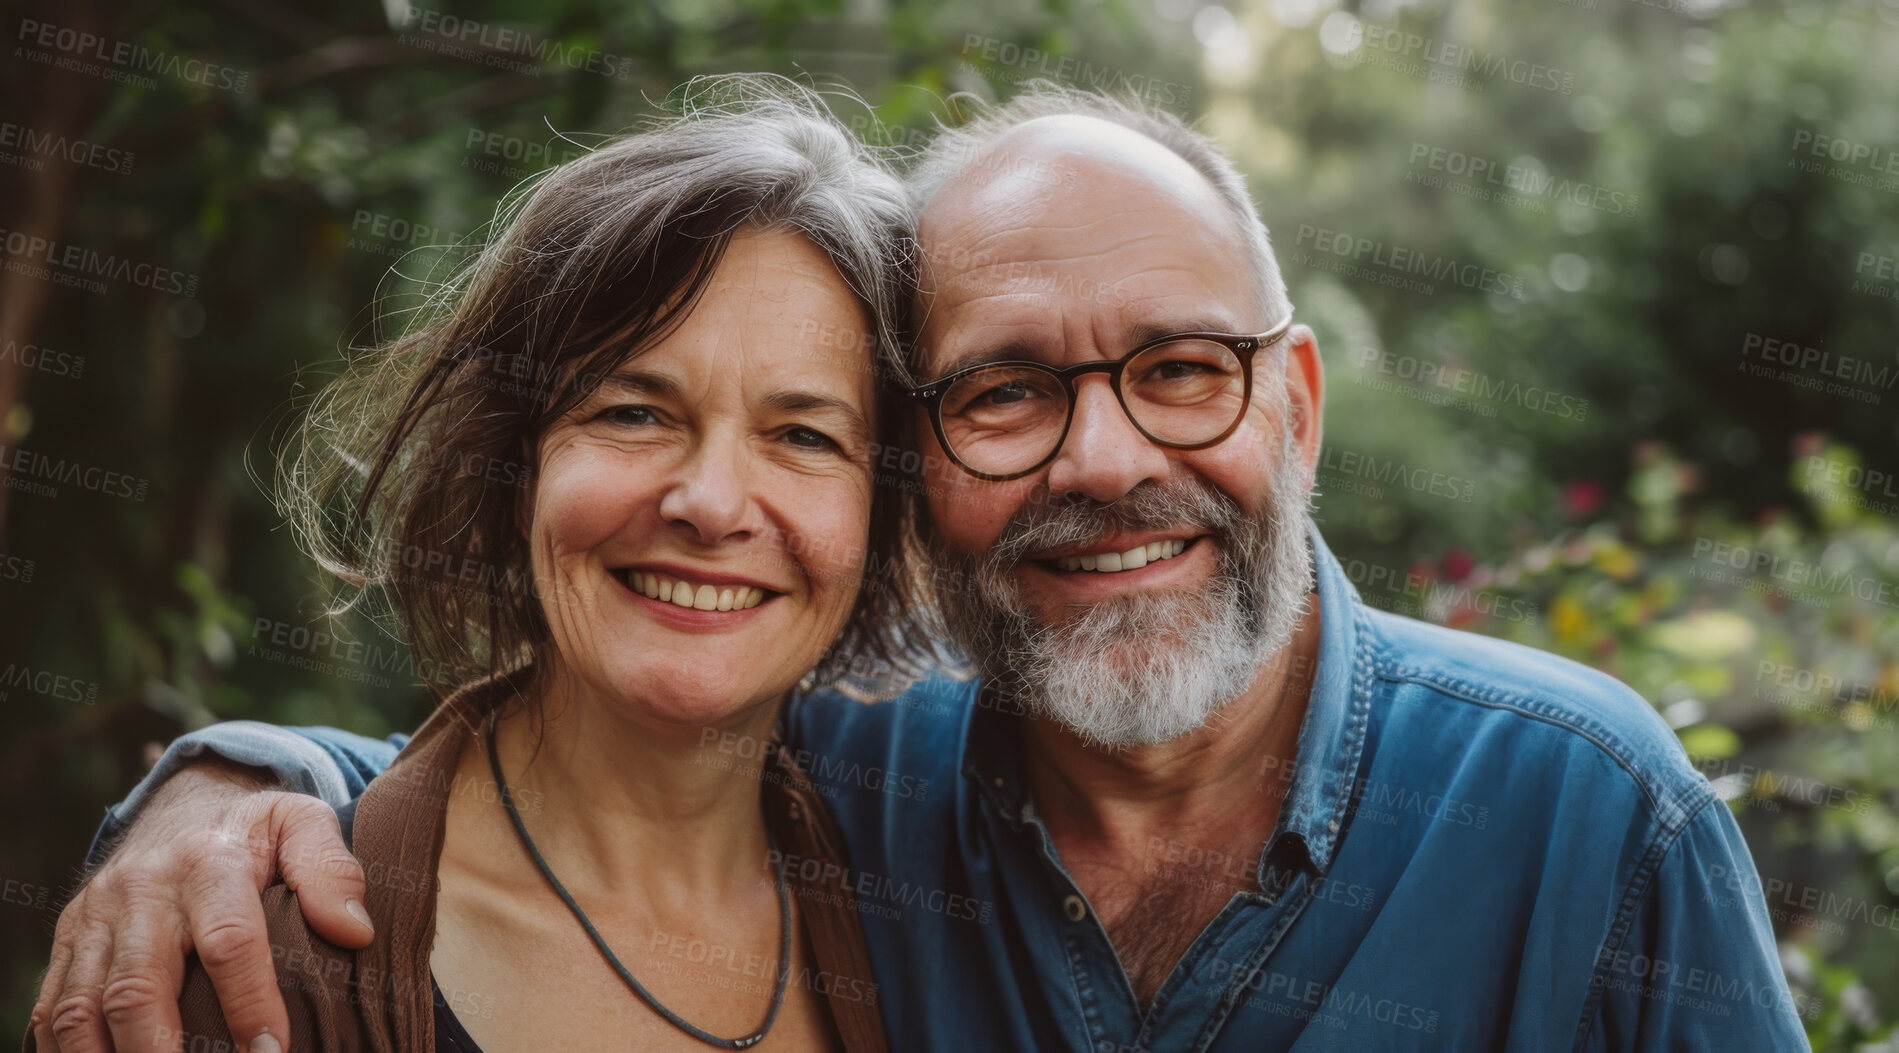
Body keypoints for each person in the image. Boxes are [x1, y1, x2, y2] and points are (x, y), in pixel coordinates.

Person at [32, 85, 1810, 1052]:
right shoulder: (861, 782)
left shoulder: (1590, 822)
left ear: (1295, 405)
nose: (1104, 460)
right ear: (925, 473)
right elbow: (552, 785)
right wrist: (230, 777)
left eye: (1177, 367)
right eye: (1007, 392)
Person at [26, 76, 927, 1053]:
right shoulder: (246, 965)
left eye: (802, 434)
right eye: (632, 412)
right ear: (514, 462)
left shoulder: (941, 916)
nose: (709, 504)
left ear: (885, 517)